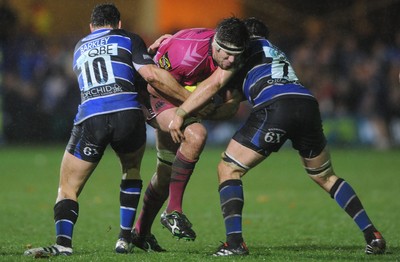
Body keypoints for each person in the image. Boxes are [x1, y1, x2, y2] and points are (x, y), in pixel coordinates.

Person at [168, 17, 386, 256]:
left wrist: (182, 112)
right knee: (325, 176)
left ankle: (235, 243)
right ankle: (372, 234)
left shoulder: (244, 49)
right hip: (307, 103)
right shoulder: (276, 51)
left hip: (275, 106)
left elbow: (215, 83)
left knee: (228, 169)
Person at [24, 3, 190, 257]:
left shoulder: (79, 46)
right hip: (127, 114)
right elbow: (146, 77)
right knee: (130, 172)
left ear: (91, 27)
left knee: (67, 187)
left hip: (92, 117)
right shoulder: (128, 39)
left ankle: (63, 244)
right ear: (119, 24)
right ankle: (124, 238)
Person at [131, 17, 248, 251]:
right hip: (154, 96)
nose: (232, 60)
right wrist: (191, 104)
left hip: (177, 100)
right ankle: (173, 210)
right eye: (226, 53)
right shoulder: (187, 53)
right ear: (215, 44)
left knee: (165, 176)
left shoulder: (234, 58)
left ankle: (139, 233)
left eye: (237, 54)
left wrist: (204, 109)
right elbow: (155, 84)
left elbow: (231, 106)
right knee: (196, 135)